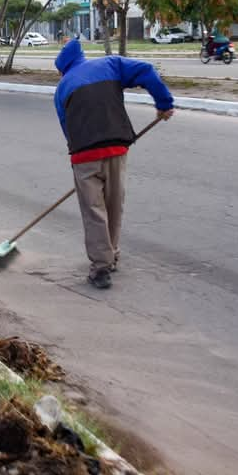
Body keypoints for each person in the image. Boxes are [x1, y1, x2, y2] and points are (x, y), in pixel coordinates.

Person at [53, 35, 174, 290]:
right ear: (82, 57)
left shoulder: (62, 86)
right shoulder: (110, 64)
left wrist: (79, 165)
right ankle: (112, 255)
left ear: (64, 68)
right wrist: (164, 103)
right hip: (117, 148)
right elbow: (147, 71)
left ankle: (100, 269)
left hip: (84, 156)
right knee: (113, 206)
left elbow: (68, 129)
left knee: (94, 211)